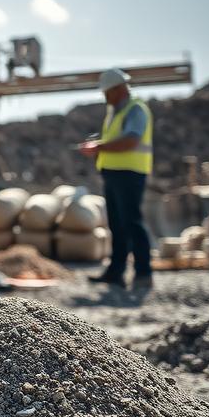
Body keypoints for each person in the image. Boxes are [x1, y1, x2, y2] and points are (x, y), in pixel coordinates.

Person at [78, 68, 154, 288]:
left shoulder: (136, 109)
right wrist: (99, 146)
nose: (105, 98)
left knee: (132, 222)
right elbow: (115, 139)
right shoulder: (115, 111)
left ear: (119, 89)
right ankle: (116, 271)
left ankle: (143, 273)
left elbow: (131, 141)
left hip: (129, 173)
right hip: (113, 174)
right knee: (117, 225)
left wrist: (100, 146)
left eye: (107, 93)